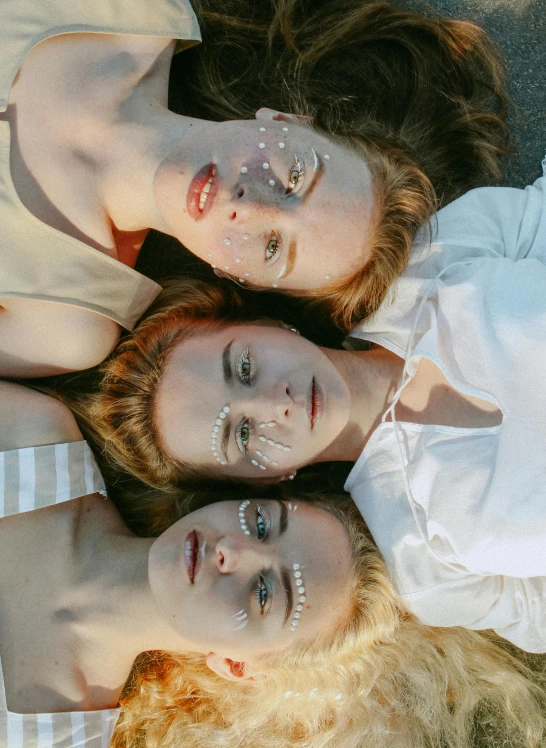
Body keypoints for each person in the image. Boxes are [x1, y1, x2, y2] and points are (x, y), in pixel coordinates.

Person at [1, 380, 546, 748]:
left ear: (238, 665)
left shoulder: (53, 737)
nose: (232, 551)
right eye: (262, 524)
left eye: (265, 593)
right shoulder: (26, 437)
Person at [0, 0, 508, 377]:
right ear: (287, 120)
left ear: (236, 276)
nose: (254, 206)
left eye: (272, 247)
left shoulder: (64, 325)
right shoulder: (135, 10)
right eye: (295, 177)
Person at [80, 242, 546, 652]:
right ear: (261, 482)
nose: (272, 403)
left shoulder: (423, 262)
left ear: (270, 324)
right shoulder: (421, 563)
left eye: (244, 368)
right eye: (241, 434)